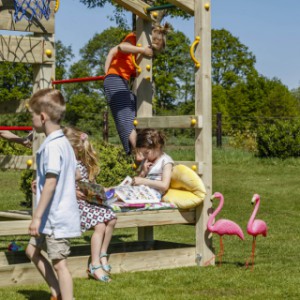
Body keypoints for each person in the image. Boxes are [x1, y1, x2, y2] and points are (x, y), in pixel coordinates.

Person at [25, 88, 81, 300]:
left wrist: (36, 217)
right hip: (51, 216)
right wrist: (39, 183)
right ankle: (57, 292)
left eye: (31, 115)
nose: (31, 119)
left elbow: (52, 182)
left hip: (55, 218)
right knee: (31, 251)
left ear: (42, 116)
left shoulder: (52, 146)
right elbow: (73, 174)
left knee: (60, 264)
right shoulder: (63, 143)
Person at [104, 24, 170, 156]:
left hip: (119, 81)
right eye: (153, 48)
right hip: (115, 79)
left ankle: (136, 148)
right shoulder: (133, 38)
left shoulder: (136, 53)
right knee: (126, 117)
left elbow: (112, 50)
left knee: (136, 108)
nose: (151, 51)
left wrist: (106, 73)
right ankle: (138, 151)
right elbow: (121, 47)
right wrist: (142, 51)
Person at [63, 126, 117, 283]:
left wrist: (102, 191)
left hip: (88, 201)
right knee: (100, 225)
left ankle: (102, 254)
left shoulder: (81, 162)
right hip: (76, 203)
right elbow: (61, 183)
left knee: (112, 218)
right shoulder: (66, 161)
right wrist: (73, 192)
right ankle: (94, 265)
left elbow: (90, 182)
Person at [131, 128, 174, 199]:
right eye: (142, 153)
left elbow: (164, 185)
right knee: (122, 190)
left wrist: (143, 181)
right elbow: (138, 181)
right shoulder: (146, 160)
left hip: (153, 194)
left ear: (157, 147)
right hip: (142, 190)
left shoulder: (166, 161)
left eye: (146, 152)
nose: (144, 156)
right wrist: (143, 172)